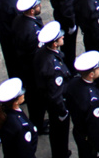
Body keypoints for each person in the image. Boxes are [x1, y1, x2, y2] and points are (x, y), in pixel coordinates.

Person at [33, 21, 72, 158]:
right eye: (60, 37)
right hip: (56, 104)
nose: (63, 37)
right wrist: (63, 111)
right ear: (54, 43)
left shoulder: (42, 52)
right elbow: (56, 95)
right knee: (60, 130)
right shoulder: (53, 66)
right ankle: (61, 153)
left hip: (46, 96)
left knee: (57, 130)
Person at [64, 51, 99, 158]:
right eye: (97, 68)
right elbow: (95, 128)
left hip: (79, 132)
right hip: (90, 141)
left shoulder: (73, 83)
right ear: (91, 74)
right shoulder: (94, 100)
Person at [12, 0, 45, 133]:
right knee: (36, 98)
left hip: (25, 65)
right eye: (38, 5)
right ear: (32, 10)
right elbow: (35, 53)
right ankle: (38, 123)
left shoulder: (20, 20)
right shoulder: (30, 29)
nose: (40, 6)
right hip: (32, 68)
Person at [0, 78, 38, 158]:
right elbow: (26, 152)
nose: (23, 94)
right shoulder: (20, 125)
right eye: (21, 94)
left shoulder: (5, 112)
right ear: (15, 101)